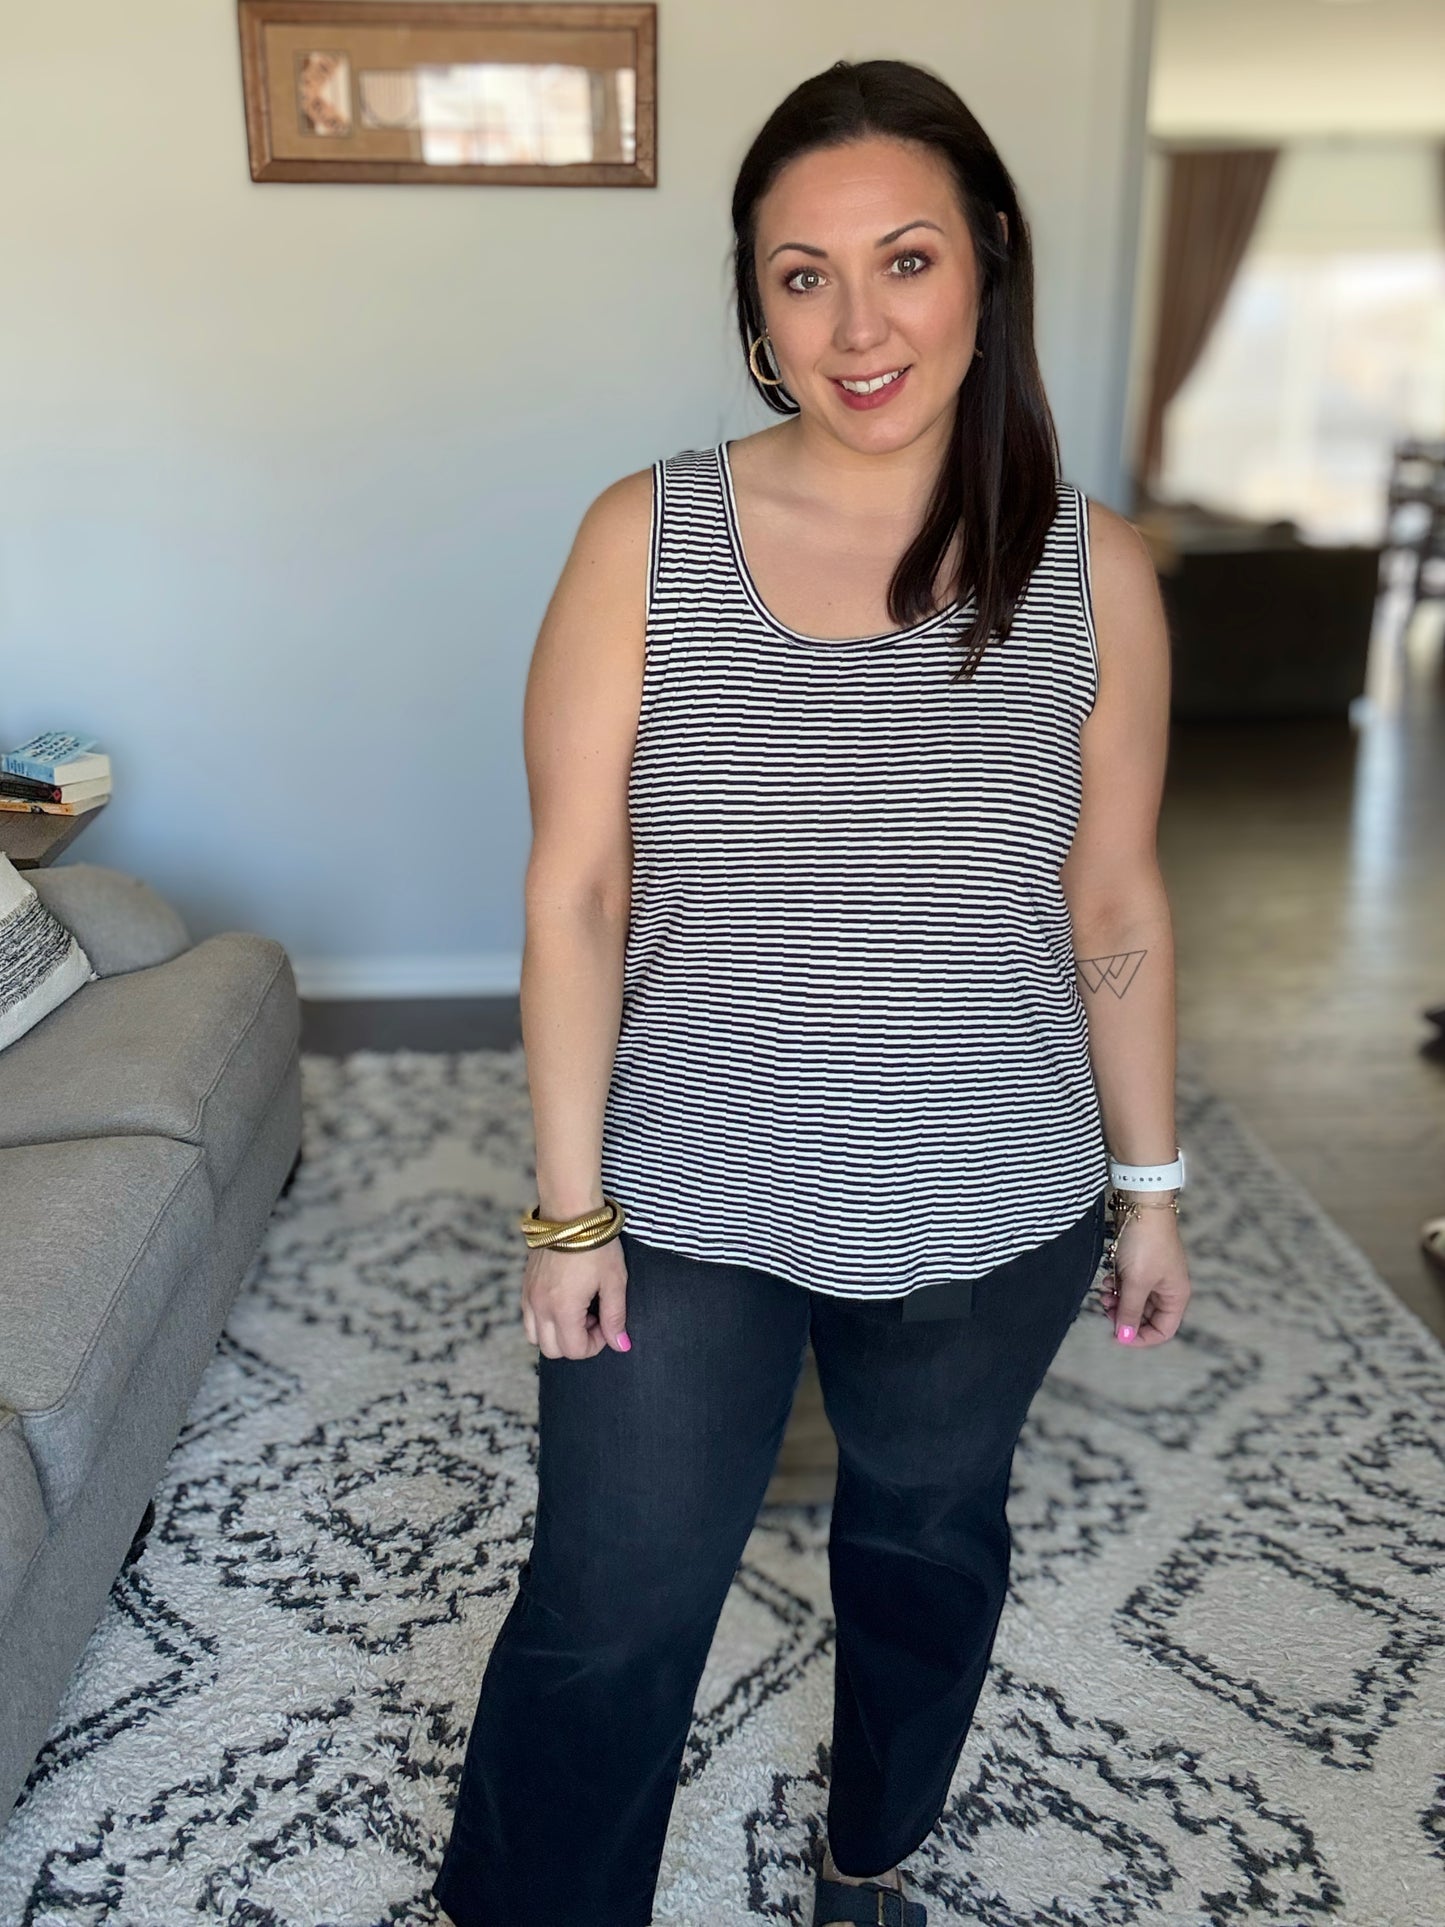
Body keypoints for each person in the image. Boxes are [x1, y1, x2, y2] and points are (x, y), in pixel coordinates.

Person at [431, 56, 1192, 1927]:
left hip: (990, 1198)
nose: (859, 328)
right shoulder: (644, 538)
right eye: (802, 275)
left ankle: (868, 1859)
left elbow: (1110, 893)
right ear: (754, 306)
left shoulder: (1094, 572)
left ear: (986, 260)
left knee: (924, 1559)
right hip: (686, 1191)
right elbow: (576, 888)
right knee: (608, 1603)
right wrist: (566, 1209)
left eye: (905, 260)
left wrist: (1149, 1185)